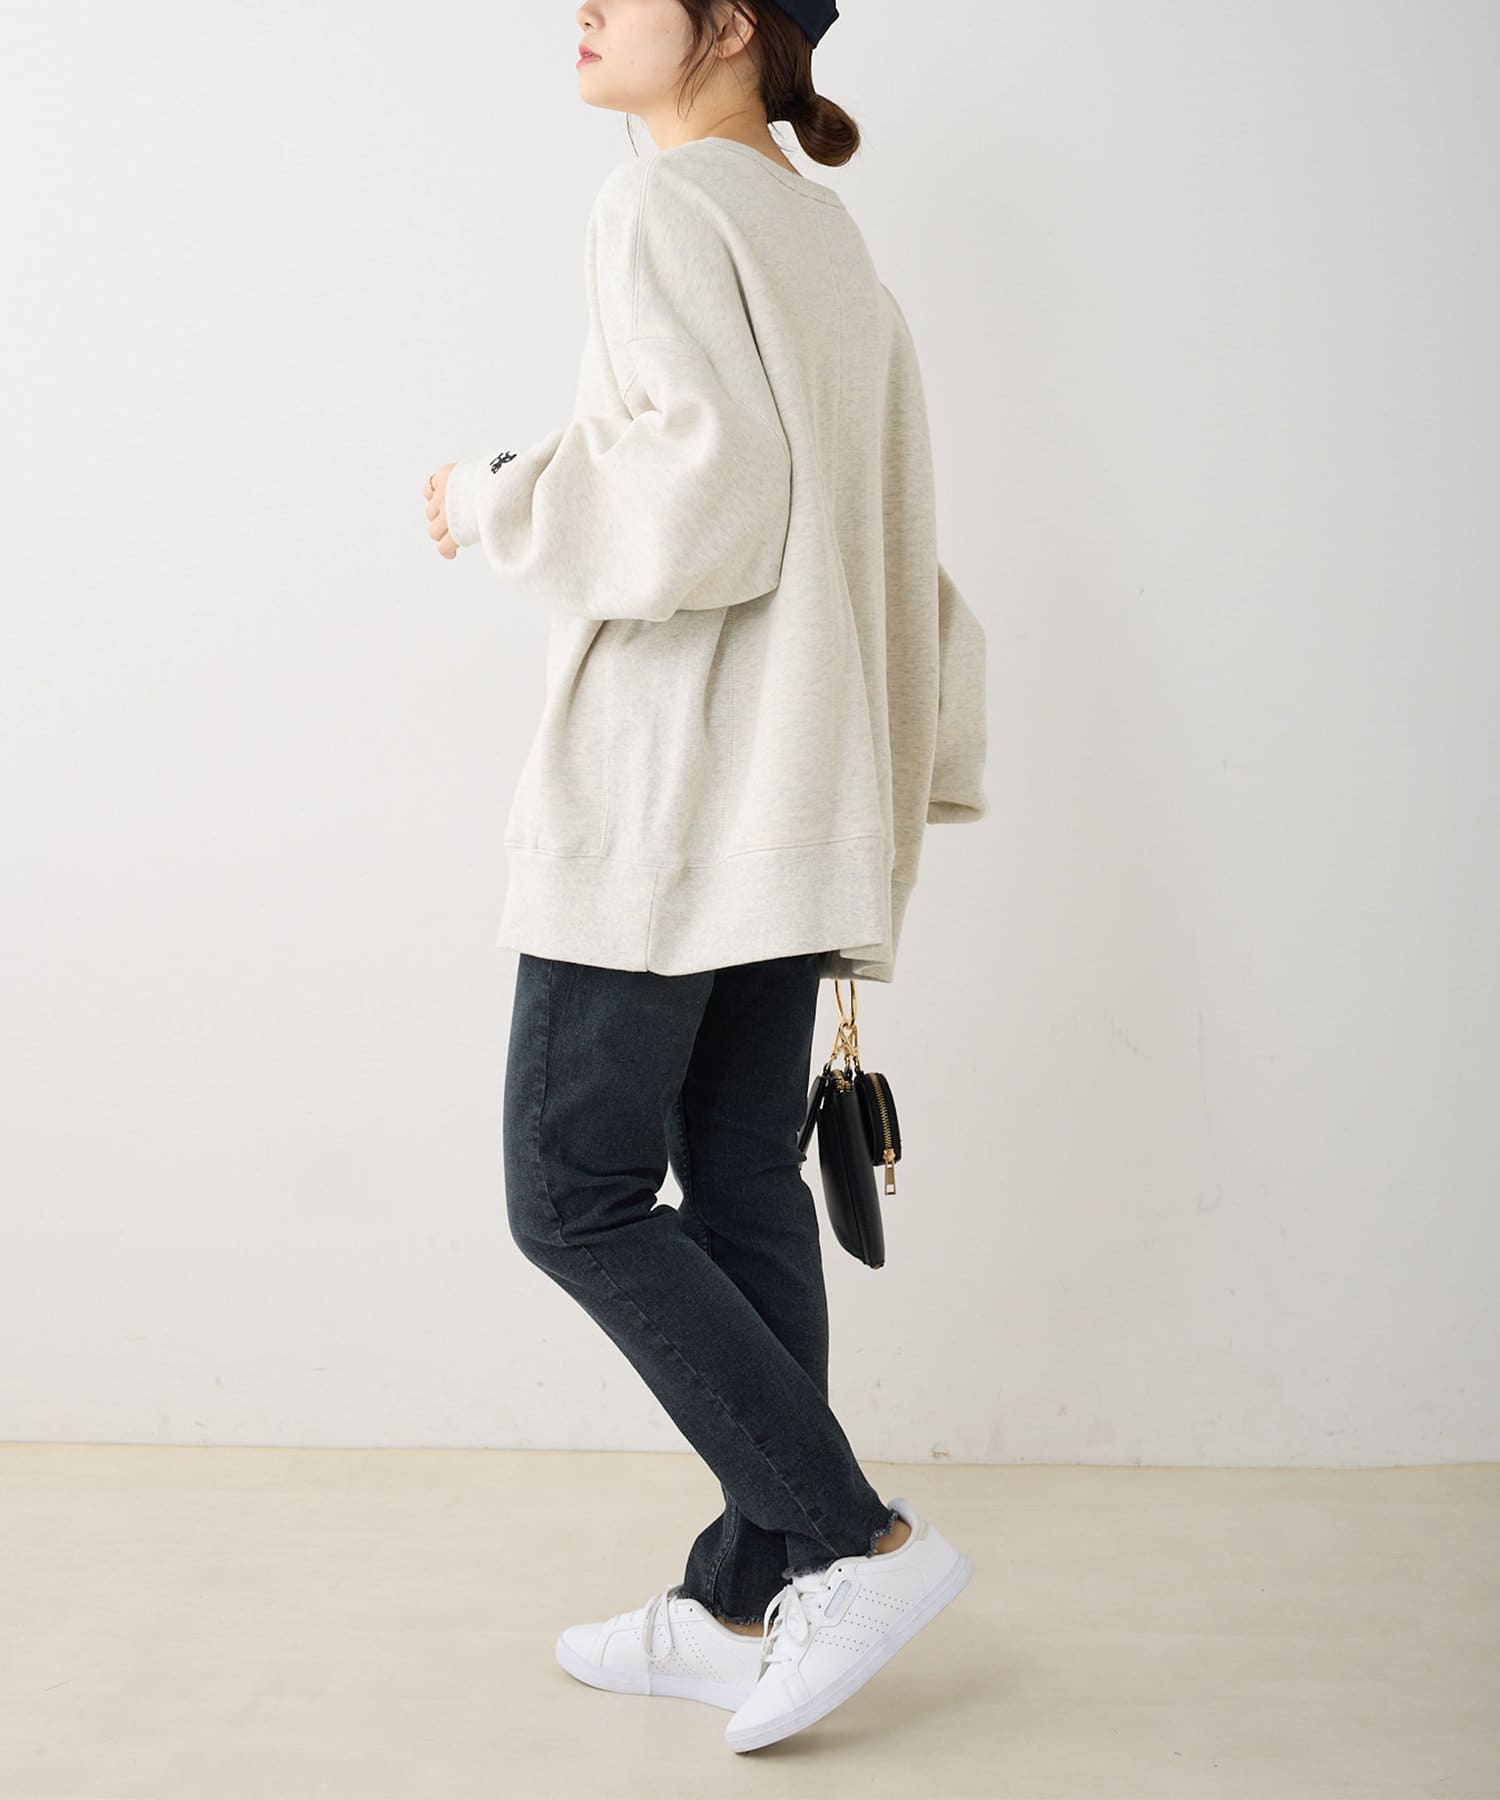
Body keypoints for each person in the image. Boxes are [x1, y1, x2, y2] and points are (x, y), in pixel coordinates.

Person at [421, 0, 989, 1756]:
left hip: (675, 799)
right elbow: (893, 524)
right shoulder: (822, 234)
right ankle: (743, 1600)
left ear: (731, 22)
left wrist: (499, 496)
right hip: (798, 790)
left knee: (570, 1189)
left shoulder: (661, 202)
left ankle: (856, 1543)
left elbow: (705, 486)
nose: (583, 10)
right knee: (739, 1186)